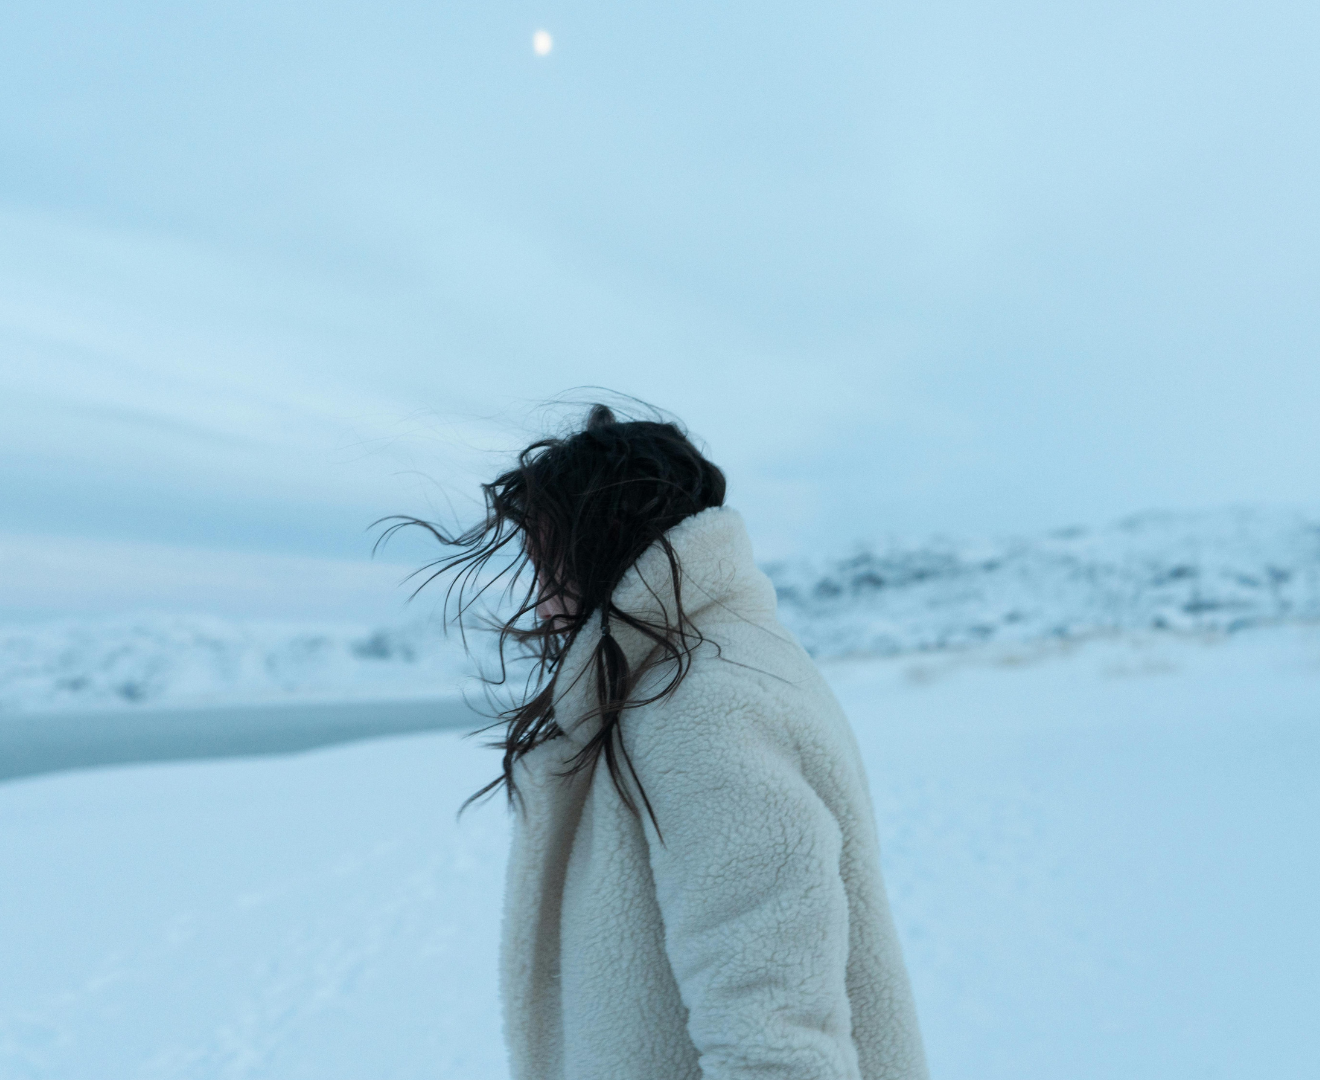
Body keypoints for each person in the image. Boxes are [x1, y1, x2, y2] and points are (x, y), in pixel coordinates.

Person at [393, 403, 928, 1080]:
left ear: (605, 543)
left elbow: (776, 1029)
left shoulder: (703, 699)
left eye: (551, 564)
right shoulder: (735, 657)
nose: (543, 604)